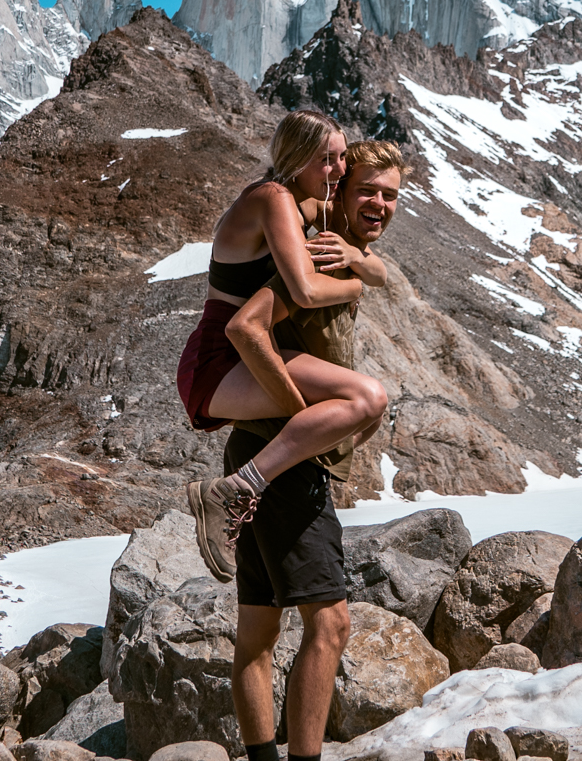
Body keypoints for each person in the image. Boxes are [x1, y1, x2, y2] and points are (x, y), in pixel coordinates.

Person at [218, 142, 406, 761]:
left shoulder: (340, 251)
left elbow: (381, 275)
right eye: (367, 191)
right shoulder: (315, 248)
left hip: (260, 450)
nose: (379, 204)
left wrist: (364, 265)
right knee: (331, 625)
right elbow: (251, 322)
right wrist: (306, 424)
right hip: (281, 465)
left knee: (259, 631)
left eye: (391, 195)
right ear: (339, 190)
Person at [175, 111, 389, 577]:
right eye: (326, 160)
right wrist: (354, 287)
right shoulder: (274, 198)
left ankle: (243, 488)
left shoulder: (305, 200)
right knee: (366, 397)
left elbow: (379, 268)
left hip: (248, 355)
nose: (337, 171)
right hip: (218, 361)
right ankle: (232, 490)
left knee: (362, 407)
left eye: (340, 160)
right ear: (296, 158)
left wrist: (356, 257)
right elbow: (306, 290)